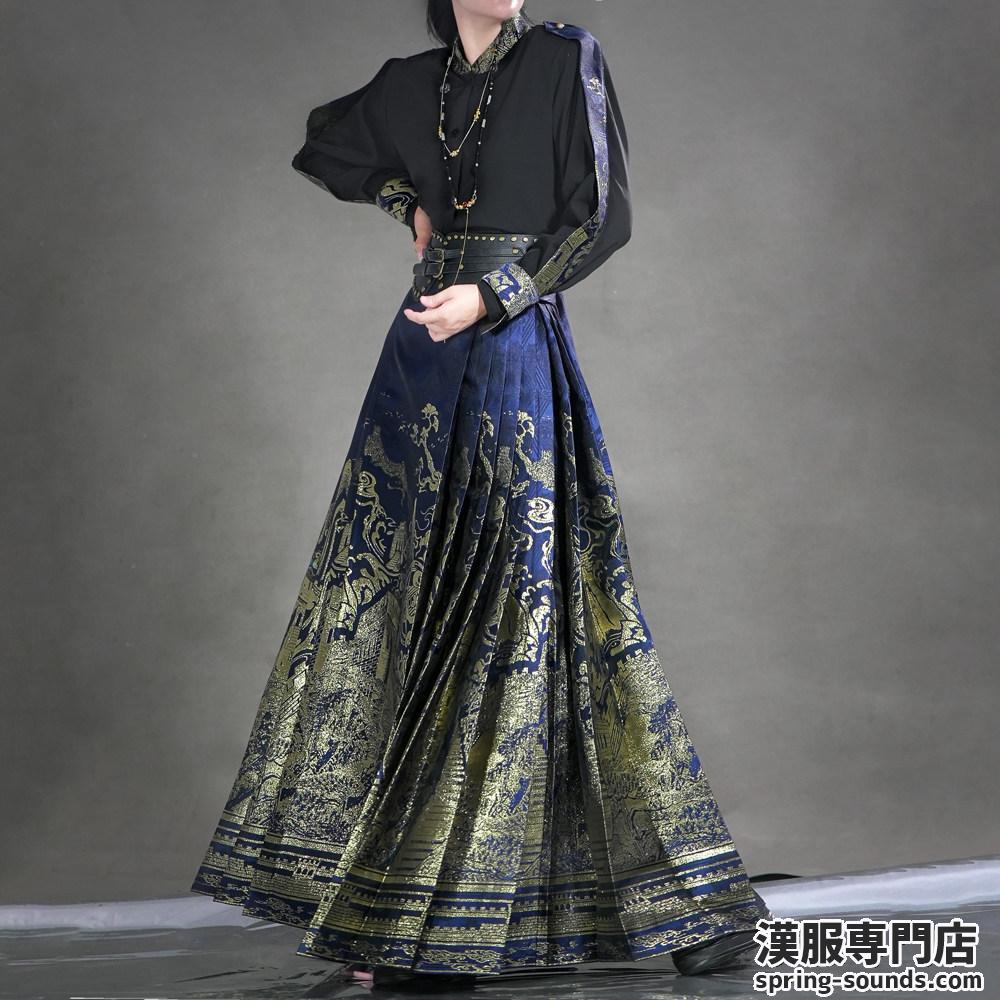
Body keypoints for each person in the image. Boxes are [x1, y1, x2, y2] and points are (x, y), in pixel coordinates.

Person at [189, 0, 773, 987]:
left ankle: (477, 915)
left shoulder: (564, 59)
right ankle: (402, 906)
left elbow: (602, 218)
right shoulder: (412, 83)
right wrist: (404, 205)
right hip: (420, 354)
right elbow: (326, 142)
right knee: (402, 604)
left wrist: (495, 293)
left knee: (517, 608)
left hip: (508, 347)